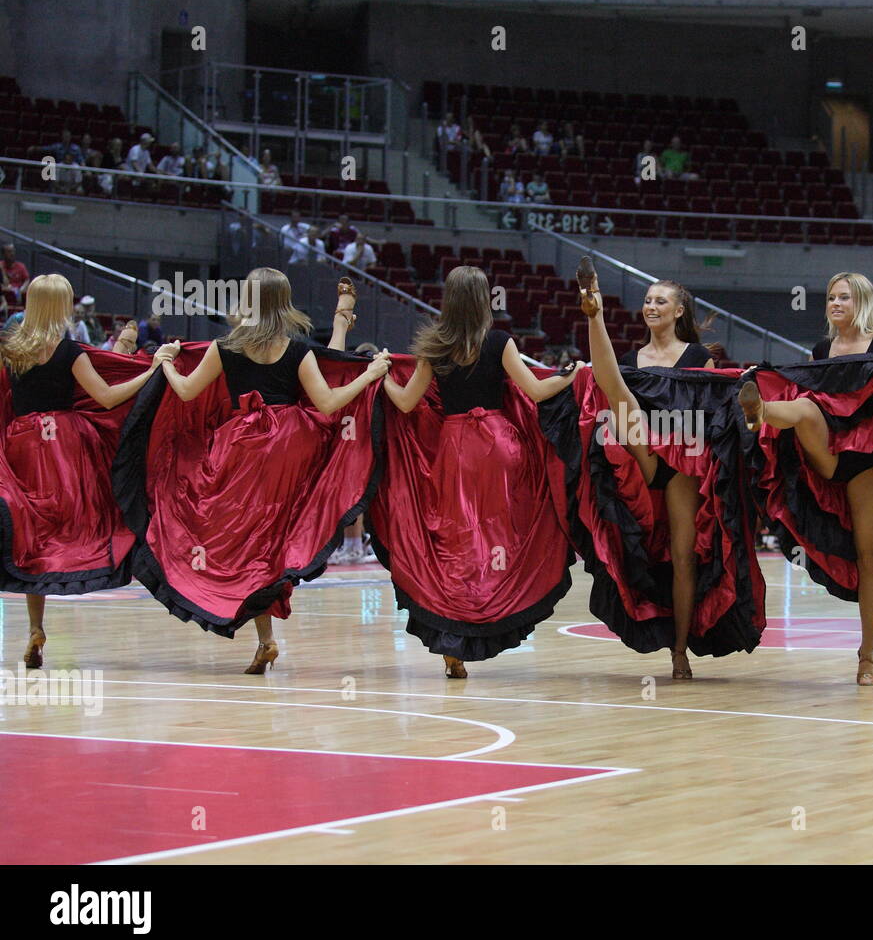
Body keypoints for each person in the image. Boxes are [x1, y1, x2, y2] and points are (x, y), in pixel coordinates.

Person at [115, 273, 391, 673]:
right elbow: (329, 401)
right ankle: (266, 639)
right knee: (270, 540)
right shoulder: (297, 350)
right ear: (285, 301)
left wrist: (166, 365)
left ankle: (255, 629)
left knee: (236, 538)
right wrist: (367, 375)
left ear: (246, 298)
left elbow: (188, 391)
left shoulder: (224, 347)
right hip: (290, 448)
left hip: (241, 446)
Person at [737, 273, 873, 686]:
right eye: (831, 298)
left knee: (869, 556)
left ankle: (868, 653)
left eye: (844, 297)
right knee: (803, 407)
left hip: (869, 461)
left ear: (863, 303)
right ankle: (761, 412)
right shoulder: (822, 349)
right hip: (825, 454)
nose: (835, 303)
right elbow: (806, 387)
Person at [365, 266, 581, 676]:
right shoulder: (499, 342)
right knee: (501, 536)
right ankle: (495, 609)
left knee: (459, 538)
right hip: (500, 446)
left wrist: (380, 379)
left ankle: (454, 632)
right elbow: (536, 392)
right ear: (485, 301)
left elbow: (407, 403)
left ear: (449, 301)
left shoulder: (434, 347)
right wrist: (570, 375)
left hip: (456, 447)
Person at [551, 266, 765, 679]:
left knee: (683, 558)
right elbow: (608, 388)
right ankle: (592, 312)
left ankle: (680, 651)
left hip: (686, 458)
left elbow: (713, 414)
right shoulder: (631, 361)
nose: (651, 306)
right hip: (643, 453)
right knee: (618, 394)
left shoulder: (698, 358)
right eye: (647, 300)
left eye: (660, 301)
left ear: (678, 310)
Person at [0, 274, 178, 669]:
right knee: (88, 523)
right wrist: (150, 371)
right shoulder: (69, 351)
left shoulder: (10, 350)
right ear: (62, 306)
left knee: (33, 536)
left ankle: (34, 627)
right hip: (64, 446)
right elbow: (107, 396)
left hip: (21, 444)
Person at [2, 244, 31, 309]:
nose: (12, 254)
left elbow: (27, 279)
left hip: (19, 296)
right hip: (4, 296)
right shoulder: (0, 266)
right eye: (9, 251)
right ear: (3, 254)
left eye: (13, 251)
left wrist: (21, 290)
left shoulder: (21, 266)